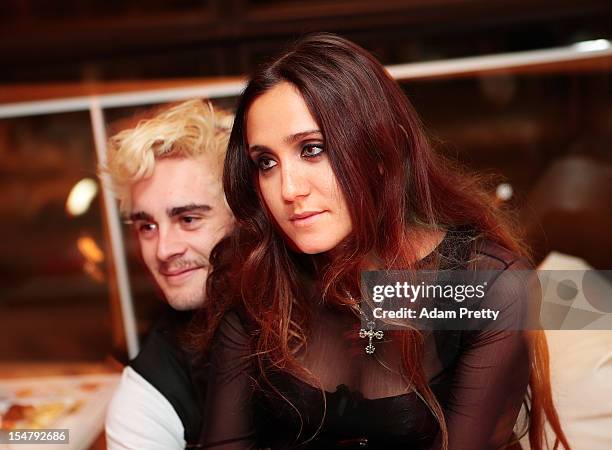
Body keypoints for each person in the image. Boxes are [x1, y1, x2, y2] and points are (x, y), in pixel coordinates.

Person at [198, 34, 570, 450]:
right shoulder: (255, 274)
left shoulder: (492, 287)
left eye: (313, 149)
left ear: (378, 151)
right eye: (265, 162)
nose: (288, 189)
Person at [101, 99, 234, 449]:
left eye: (188, 219)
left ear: (246, 217)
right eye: (147, 226)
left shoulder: (370, 291)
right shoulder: (145, 397)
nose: (163, 250)